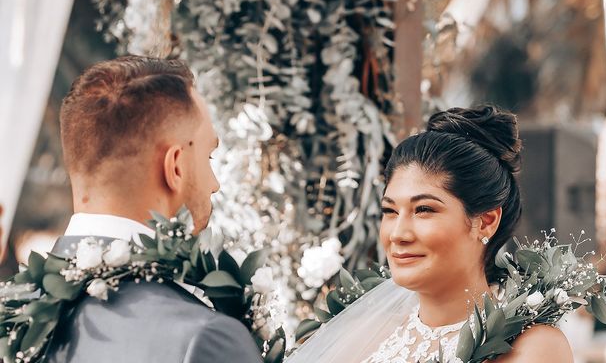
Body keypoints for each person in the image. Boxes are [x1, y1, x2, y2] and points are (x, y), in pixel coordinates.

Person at [287, 105, 573, 363]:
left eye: (423, 210)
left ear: (485, 221)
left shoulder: (533, 349)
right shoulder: (364, 335)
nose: (398, 234)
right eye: (390, 211)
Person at [47, 56, 261, 363]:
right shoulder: (200, 339)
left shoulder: (16, 319)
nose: (214, 184)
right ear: (175, 166)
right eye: (208, 158)